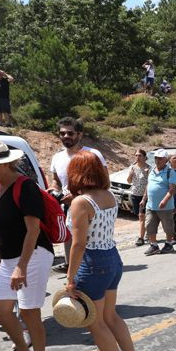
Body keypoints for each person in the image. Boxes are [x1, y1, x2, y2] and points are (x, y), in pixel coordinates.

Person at [65, 151, 145, 351]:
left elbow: (78, 244)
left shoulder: (82, 202)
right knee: (111, 316)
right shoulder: (108, 195)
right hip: (111, 257)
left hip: (92, 262)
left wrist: (70, 277)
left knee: (96, 322)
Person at [0, 141, 54, 351]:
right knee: (0, 310)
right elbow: (3, 229)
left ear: (4, 164)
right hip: (9, 258)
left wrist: (21, 266)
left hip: (32, 255)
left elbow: (33, 230)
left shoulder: (25, 187)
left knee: (29, 313)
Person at [50, 117, 108, 272]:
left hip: (90, 206)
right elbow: (56, 180)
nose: (65, 137)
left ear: (80, 135)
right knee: (69, 237)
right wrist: (55, 192)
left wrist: (77, 198)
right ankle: (71, 267)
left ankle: (89, 269)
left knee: (85, 240)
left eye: (70, 133)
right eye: (62, 133)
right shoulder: (57, 157)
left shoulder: (92, 154)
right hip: (66, 204)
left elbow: (104, 182)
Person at [141, 149, 176, 255]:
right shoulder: (152, 170)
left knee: (168, 226)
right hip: (151, 205)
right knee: (149, 225)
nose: (157, 160)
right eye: (156, 158)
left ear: (166, 160)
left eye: (160, 158)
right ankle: (154, 245)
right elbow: (148, 186)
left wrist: (164, 201)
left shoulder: (170, 172)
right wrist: (143, 199)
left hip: (165, 206)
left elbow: (172, 189)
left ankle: (169, 244)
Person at [127, 148, 149, 246]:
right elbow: (128, 181)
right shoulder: (132, 167)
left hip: (145, 195)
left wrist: (144, 198)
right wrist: (130, 175)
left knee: (142, 216)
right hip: (135, 194)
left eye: (140, 155)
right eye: (136, 155)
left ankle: (141, 238)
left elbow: (149, 184)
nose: (137, 157)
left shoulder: (148, 168)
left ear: (144, 157)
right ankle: (148, 232)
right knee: (140, 217)